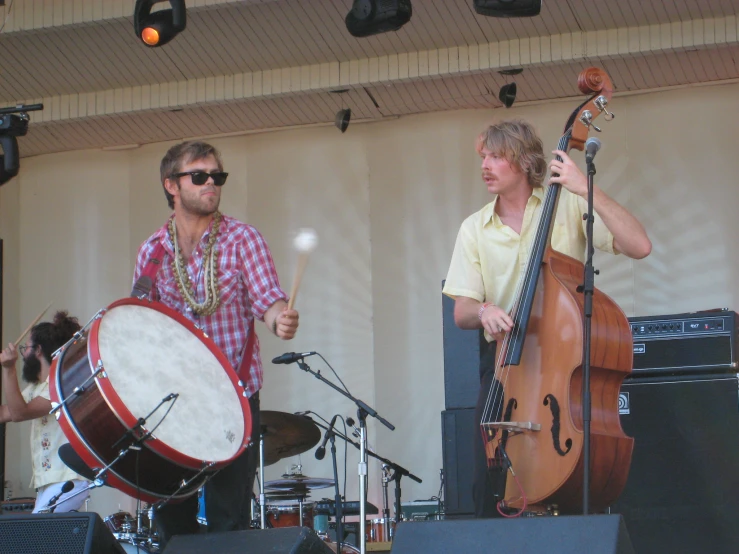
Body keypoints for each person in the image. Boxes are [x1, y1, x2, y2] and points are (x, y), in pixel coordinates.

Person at [442, 119, 652, 518]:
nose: (485, 165)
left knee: (577, 486)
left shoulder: (569, 203)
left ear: (522, 161)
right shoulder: (474, 228)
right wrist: (485, 310)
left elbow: (639, 245)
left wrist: (586, 188)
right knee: (485, 485)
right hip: (507, 366)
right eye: (483, 157)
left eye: (496, 157)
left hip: (565, 362)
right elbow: (462, 310)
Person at [133, 140, 300, 544]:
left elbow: (269, 300)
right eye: (199, 175)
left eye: (217, 176)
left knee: (229, 524)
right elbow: (139, 328)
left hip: (233, 401)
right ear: (171, 185)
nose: (211, 183)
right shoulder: (153, 251)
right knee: (172, 524)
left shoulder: (243, 239)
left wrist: (281, 319)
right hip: (172, 406)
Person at [0, 311, 91, 513]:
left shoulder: (60, 383)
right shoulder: (36, 388)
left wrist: (8, 369)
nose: (23, 354)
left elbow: (19, 414)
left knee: (36, 540)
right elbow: (6, 413)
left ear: (38, 350)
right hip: (51, 482)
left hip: (68, 479)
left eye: (26, 348)